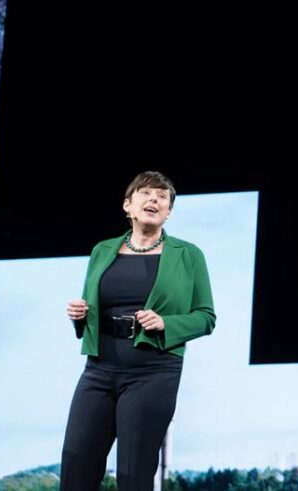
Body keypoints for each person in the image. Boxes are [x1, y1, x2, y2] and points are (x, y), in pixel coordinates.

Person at [60, 171, 216, 490]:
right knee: (76, 465)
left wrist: (167, 323)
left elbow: (206, 317)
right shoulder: (102, 251)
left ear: (168, 212)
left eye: (162, 197)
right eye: (146, 193)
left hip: (153, 371)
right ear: (128, 205)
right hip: (99, 368)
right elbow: (94, 306)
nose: (154, 199)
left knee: (133, 474)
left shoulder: (189, 255)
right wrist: (79, 315)